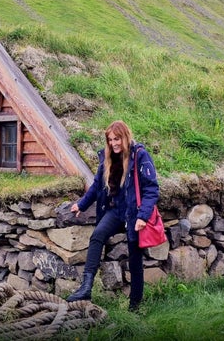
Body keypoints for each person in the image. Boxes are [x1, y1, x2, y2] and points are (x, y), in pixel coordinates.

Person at [67, 120, 160, 312]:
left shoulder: (140, 156)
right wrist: (82, 204)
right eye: (110, 140)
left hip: (135, 215)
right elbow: (96, 186)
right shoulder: (107, 158)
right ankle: (86, 288)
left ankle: (134, 307)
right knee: (97, 236)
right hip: (116, 211)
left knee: (135, 261)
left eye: (117, 139)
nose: (113, 143)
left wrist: (143, 216)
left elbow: (151, 189)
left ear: (125, 137)